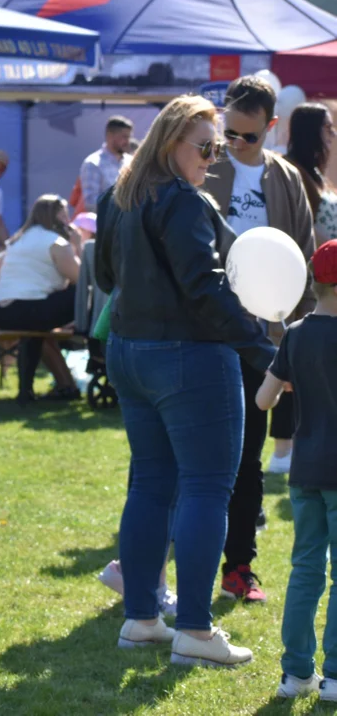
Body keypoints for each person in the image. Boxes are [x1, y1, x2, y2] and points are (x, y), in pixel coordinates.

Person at [95, 94, 274, 666]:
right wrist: (264, 350)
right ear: (170, 141)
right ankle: (195, 631)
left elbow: (103, 274)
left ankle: (142, 619)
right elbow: (206, 287)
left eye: (218, 147)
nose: (213, 158)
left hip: (129, 351)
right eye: (205, 147)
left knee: (151, 485)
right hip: (188, 356)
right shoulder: (183, 201)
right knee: (205, 487)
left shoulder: (118, 196)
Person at [204, 75, 315, 602]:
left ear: (272, 127)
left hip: (261, 338)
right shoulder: (207, 167)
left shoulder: (287, 179)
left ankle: (239, 567)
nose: (235, 144)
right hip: (204, 335)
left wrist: (299, 339)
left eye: (248, 136)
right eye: (230, 133)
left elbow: (302, 262)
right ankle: (160, 569)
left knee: (249, 456)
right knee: (198, 456)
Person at [258, 240, 337, 700]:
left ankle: (296, 673)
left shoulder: (297, 334)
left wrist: (292, 376)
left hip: (305, 473)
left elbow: (263, 399)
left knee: (305, 568)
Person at [0, 195, 81, 403]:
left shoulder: (16, 240)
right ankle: (84, 361)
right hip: (31, 309)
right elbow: (81, 278)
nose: (68, 219)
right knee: (82, 294)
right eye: (65, 214)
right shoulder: (57, 243)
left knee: (40, 333)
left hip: (2, 311)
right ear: (57, 216)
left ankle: (59, 387)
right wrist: (77, 245)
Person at [286, 102, 337, 246]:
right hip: (317, 260)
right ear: (310, 131)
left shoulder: (314, 172)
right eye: (328, 128)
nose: (333, 133)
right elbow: (301, 226)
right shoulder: (291, 171)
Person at [80, 115, 133, 212]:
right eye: (124, 137)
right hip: (106, 225)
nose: (127, 142)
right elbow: (91, 204)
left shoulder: (131, 162)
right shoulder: (93, 164)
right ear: (110, 135)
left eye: (129, 137)